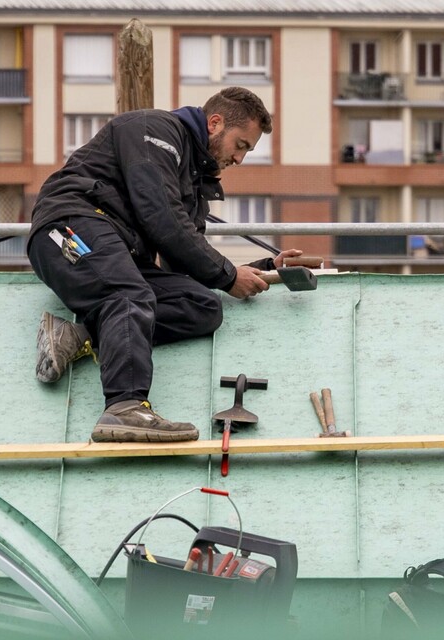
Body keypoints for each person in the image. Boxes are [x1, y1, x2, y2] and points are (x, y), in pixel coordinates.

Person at [28, 87, 300, 443]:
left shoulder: (192, 178)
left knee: (200, 306)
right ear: (215, 123)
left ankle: (76, 336)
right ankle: (125, 407)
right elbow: (161, 216)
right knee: (128, 293)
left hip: (116, 251)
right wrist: (227, 275)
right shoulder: (154, 130)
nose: (240, 159)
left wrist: (259, 267)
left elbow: (184, 260)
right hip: (69, 228)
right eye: (241, 145)